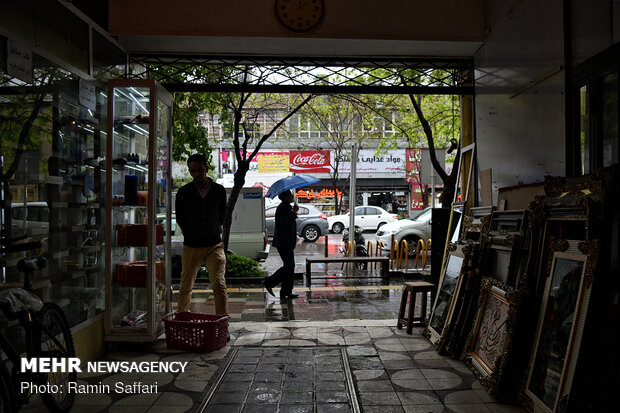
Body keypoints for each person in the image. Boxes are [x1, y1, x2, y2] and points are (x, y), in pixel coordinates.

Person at [175, 153, 228, 315]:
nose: (197, 174)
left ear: (206, 168)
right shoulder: (183, 192)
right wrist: (192, 232)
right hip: (191, 245)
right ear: (190, 172)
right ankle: (183, 319)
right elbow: (180, 218)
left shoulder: (219, 191)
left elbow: (222, 215)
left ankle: (222, 322)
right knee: (185, 286)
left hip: (214, 245)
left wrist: (212, 229)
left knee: (219, 285)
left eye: (200, 170)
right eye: (193, 171)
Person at [263, 190, 299, 299]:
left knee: (289, 267)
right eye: (289, 194)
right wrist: (293, 213)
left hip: (287, 242)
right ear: (284, 197)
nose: (292, 196)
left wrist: (293, 212)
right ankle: (269, 282)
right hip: (284, 243)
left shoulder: (286, 207)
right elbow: (285, 224)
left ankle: (286, 291)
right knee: (289, 266)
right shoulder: (282, 208)